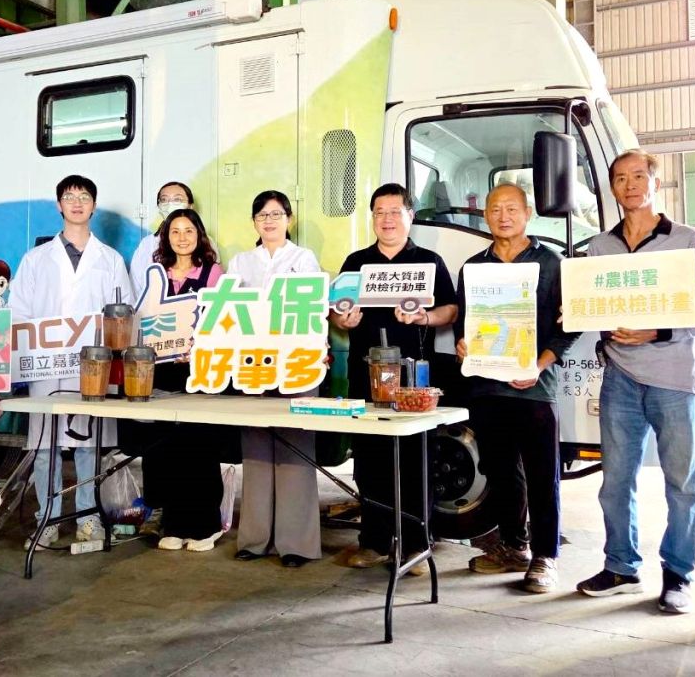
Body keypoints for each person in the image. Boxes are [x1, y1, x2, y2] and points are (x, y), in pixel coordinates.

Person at [576, 150, 695, 613]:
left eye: (638, 176)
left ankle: (678, 575)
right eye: (620, 178)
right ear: (611, 187)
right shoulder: (599, 247)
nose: (630, 185)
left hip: (675, 378)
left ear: (655, 183)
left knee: (682, 483)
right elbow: (592, 305)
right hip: (620, 378)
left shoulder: (689, 240)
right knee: (615, 481)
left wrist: (658, 331)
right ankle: (620, 566)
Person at [453, 183, 578, 593]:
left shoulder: (551, 263)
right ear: (485, 216)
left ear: (527, 214)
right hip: (488, 389)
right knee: (499, 471)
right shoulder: (473, 267)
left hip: (534, 388)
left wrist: (539, 366)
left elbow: (567, 328)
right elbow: (465, 324)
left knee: (543, 474)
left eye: (511, 208)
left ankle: (546, 557)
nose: (503, 216)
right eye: (495, 209)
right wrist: (464, 346)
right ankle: (512, 547)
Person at [330, 184, 457, 576]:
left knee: (416, 458)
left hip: (414, 376)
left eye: (395, 211)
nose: (387, 219)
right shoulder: (356, 262)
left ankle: (417, 542)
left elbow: (451, 310)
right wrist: (342, 319)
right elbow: (337, 311)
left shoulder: (428, 261)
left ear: (410, 215)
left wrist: (424, 317)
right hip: (365, 375)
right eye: (379, 212)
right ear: (372, 218)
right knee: (370, 460)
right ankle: (373, 541)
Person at [8, 175, 133, 549]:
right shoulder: (36, 259)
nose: (77, 202)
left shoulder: (109, 259)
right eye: (69, 197)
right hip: (46, 366)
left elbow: (122, 312)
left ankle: (88, 517)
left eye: (84, 197)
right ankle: (45, 518)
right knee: (46, 445)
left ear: (94, 206)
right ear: (59, 205)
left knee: (88, 444)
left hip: (92, 365)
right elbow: (18, 312)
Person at [229, 190, 323, 567]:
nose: (269, 221)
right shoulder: (240, 261)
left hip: (297, 362)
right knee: (255, 448)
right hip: (253, 363)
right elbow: (230, 313)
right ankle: (253, 539)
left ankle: (296, 544)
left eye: (276, 214)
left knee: (295, 448)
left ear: (289, 219)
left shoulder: (303, 259)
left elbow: (314, 310)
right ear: (254, 222)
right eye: (262, 215)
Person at [140, 208, 227, 552]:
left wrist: (200, 346)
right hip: (162, 371)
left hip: (198, 369)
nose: (182, 237)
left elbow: (220, 318)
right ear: (166, 237)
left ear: (199, 235)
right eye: (174, 231)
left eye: (188, 230)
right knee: (168, 449)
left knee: (199, 447)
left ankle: (207, 525)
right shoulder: (156, 273)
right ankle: (174, 524)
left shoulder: (212, 272)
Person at [130, 182, 194, 301]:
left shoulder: (206, 242)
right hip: (154, 315)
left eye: (177, 199)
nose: (170, 205)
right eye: (164, 200)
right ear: (159, 207)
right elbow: (135, 286)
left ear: (190, 206)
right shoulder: (147, 244)